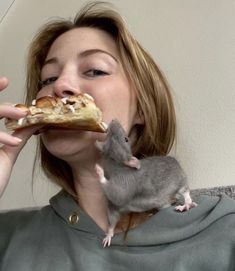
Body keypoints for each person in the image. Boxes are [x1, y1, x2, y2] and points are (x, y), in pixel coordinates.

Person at [0, 2, 235, 270]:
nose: (60, 86)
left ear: (143, 108)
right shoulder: (8, 238)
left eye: (95, 70)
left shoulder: (224, 229)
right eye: (48, 79)